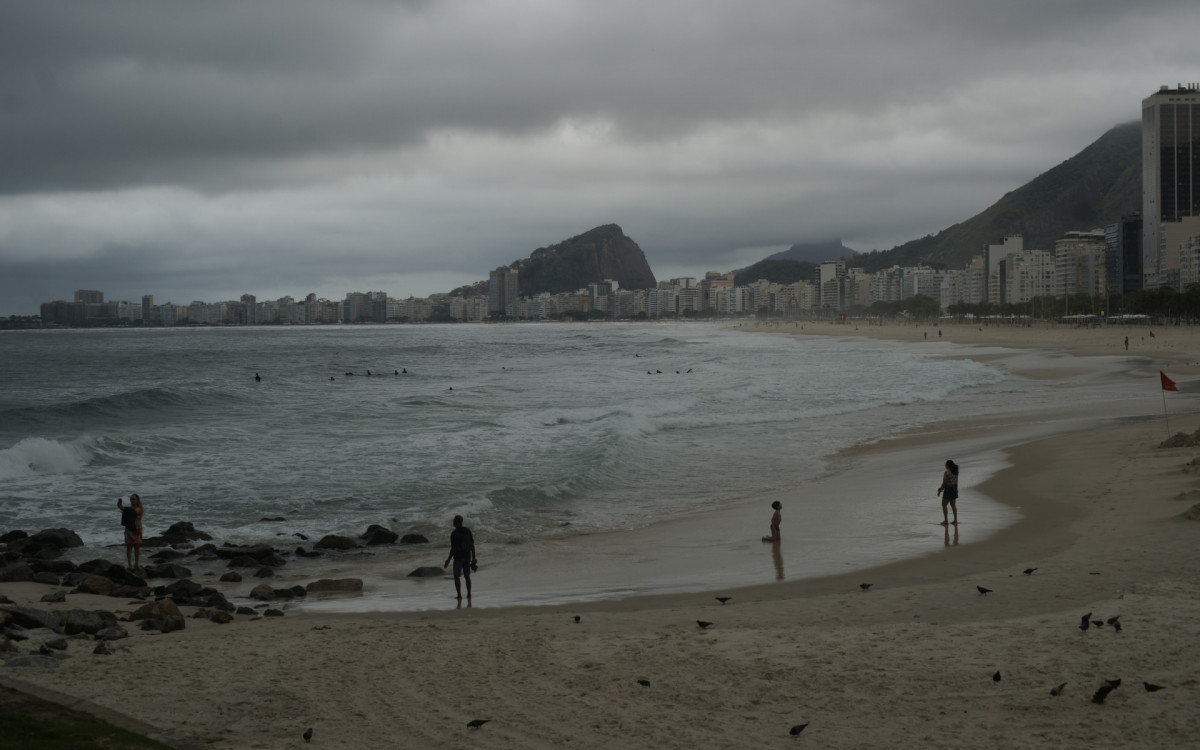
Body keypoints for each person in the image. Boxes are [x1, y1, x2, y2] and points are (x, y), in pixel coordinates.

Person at [443, 515, 477, 600]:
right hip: (467, 556)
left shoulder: (454, 534)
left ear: (457, 522)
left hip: (458, 558)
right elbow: (472, 545)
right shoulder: (467, 531)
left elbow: (453, 549)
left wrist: (448, 560)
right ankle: (469, 594)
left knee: (457, 577)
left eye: (454, 521)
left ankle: (459, 595)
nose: (453, 522)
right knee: (467, 576)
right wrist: (474, 557)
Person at [118, 494, 144, 570]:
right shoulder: (129, 509)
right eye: (131, 499)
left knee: (137, 547)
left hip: (137, 529)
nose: (132, 501)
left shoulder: (140, 508)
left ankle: (136, 564)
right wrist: (120, 505)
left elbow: (134, 511)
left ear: (137, 500)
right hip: (129, 529)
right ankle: (130, 564)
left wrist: (123, 508)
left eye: (134, 499)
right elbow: (123, 508)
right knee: (129, 547)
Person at [937, 460, 959, 525]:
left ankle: (946, 520)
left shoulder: (947, 472)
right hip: (954, 488)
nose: (945, 466)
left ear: (948, 465)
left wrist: (940, 490)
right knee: (953, 505)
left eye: (945, 465)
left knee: (944, 505)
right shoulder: (956, 471)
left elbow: (944, 483)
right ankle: (955, 520)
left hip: (948, 489)